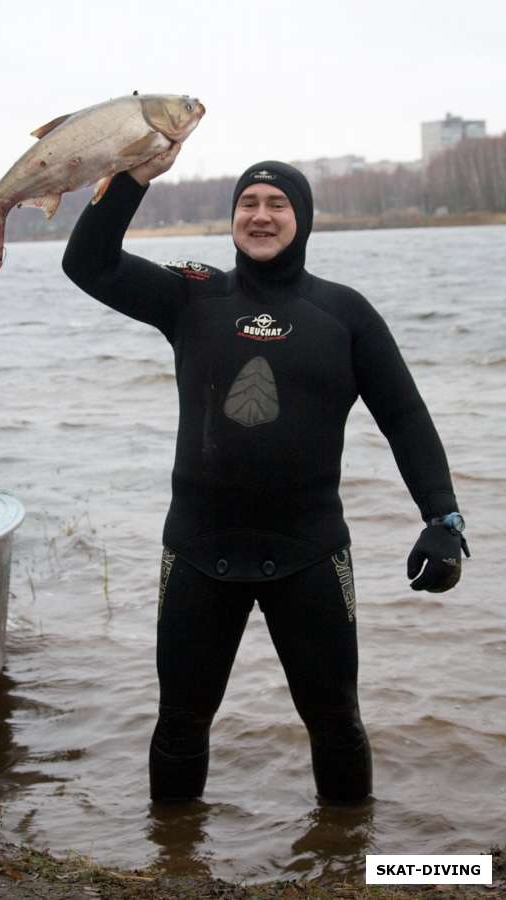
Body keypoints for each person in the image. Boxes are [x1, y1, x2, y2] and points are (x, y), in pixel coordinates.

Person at [62, 146, 469, 805]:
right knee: (180, 722)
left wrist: (442, 517)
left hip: (308, 553)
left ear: (301, 219)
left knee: (336, 723)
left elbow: (405, 414)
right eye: (247, 203)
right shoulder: (191, 297)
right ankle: (173, 875)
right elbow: (88, 263)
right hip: (197, 550)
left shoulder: (345, 314)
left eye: (277, 204)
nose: (261, 215)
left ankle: (353, 868)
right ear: (231, 219)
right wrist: (134, 178)